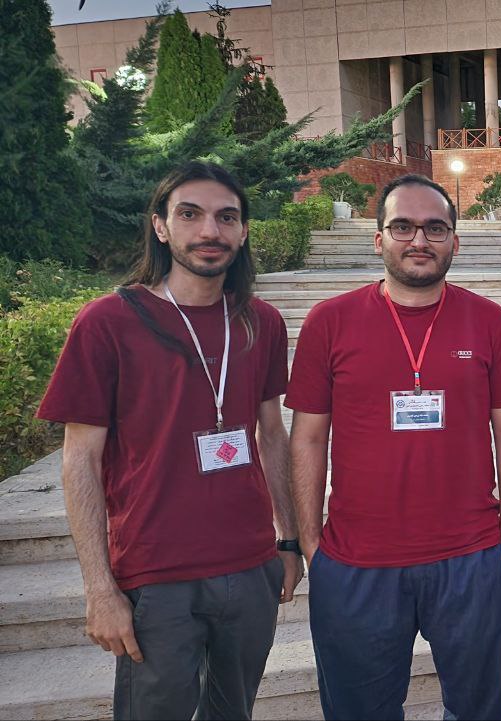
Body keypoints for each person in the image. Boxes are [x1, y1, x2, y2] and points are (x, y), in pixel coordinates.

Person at [37, 161, 300, 720]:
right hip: (155, 577)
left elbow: (272, 433)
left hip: (249, 566)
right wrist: (99, 589)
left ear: (243, 232)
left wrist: (288, 541)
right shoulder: (107, 322)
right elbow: (80, 460)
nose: (210, 230)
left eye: (226, 217)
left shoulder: (261, 322)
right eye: (190, 214)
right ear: (160, 226)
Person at [287, 174, 501, 720]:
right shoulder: (329, 322)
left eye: (435, 228)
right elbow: (307, 438)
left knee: (479, 711)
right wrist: (312, 546)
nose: (419, 240)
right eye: (403, 226)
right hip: (356, 562)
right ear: (379, 239)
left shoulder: (489, 321)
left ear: (455, 242)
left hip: (469, 557)